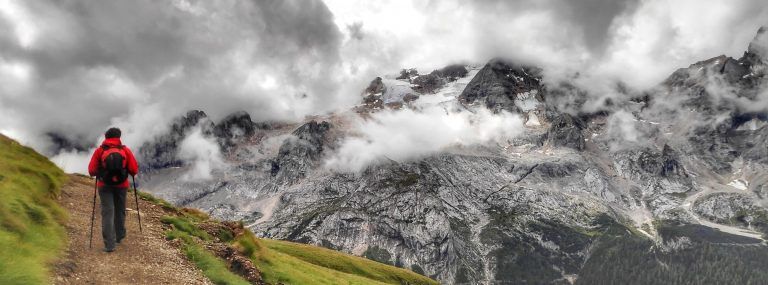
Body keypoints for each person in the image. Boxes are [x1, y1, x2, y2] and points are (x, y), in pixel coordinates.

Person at [87, 127, 139, 252]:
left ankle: (109, 245)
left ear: (106, 138)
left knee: (107, 213)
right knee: (120, 210)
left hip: (104, 186)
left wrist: (101, 171)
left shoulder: (100, 151)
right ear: (118, 137)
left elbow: (91, 171)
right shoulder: (125, 150)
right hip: (121, 186)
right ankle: (119, 235)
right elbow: (134, 170)